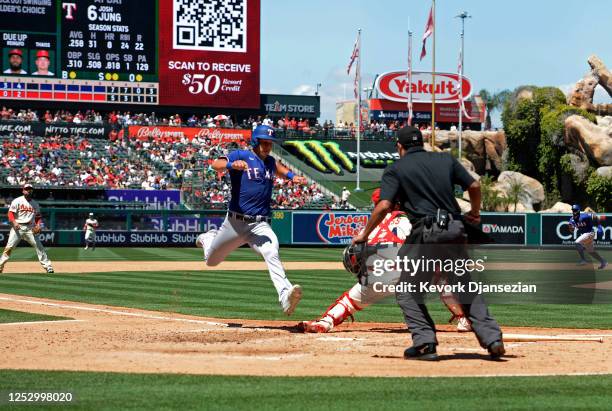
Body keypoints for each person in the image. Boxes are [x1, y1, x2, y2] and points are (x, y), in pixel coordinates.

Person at [352, 126, 504, 361]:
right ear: (420, 144)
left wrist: (363, 235)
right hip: (455, 228)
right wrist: (475, 212)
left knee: (407, 291)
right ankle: (493, 339)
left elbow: (383, 206)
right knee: (463, 285)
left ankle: (425, 343)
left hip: (426, 233)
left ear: (400, 147)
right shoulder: (445, 159)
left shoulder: (396, 168)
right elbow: (474, 186)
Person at [298, 188, 471, 333]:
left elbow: (356, 254)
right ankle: (464, 318)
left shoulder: (371, 227)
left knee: (348, 301)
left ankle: (325, 322)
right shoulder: (406, 219)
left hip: (376, 276)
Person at [195, 125, 307, 315]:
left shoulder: (270, 161)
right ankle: (209, 238)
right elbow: (216, 165)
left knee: (272, 251)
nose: (267, 146)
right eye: (264, 142)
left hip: (259, 224)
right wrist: (231, 165)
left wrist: (291, 175)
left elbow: (277, 166)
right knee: (211, 261)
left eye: (270, 143)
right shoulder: (242, 155)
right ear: (255, 141)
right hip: (235, 223)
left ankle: (285, 296)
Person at [0, 184, 54, 274]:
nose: (28, 191)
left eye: (30, 189)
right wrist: (14, 222)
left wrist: (38, 225)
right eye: (27, 189)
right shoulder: (17, 201)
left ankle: (48, 267)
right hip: (18, 228)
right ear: (23, 190)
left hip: (30, 228)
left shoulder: (35, 204)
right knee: (9, 248)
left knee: (39, 247)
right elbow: (10, 214)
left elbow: (38, 217)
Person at [569, 204, 607, 269]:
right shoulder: (572, 219)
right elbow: (571, 230)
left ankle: (583, 260)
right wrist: (571, 228)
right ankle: (603, 262)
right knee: (591, 252)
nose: (574, 211)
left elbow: (595, 217)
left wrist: (599, 226)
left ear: (578, 210)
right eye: (573, 210)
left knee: (577, 242)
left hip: (590, 233)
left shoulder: (585, 216)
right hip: (586, 235)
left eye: (575, 210)